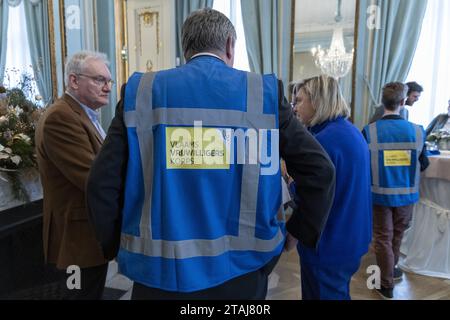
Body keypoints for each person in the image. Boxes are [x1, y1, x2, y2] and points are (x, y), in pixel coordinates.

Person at [86, 8, 335, 300]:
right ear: (230, 45)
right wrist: (297, 231)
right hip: (244, 270)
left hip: (158, 272)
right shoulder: (263, 94)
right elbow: (321, 170)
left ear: (185, 47)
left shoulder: (141, 91)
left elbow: (100, 184)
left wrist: (115, 245)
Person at [35, 51, 113, 299]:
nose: (108, 87)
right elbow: (94, 177)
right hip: (75, 243)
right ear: (74, 80)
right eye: (100, 80)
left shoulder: (84, 114)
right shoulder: (61, 117)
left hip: (89, 237)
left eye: (108, 81)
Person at [293, 76, 372, 300]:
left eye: (299, 101)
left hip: (328, 242)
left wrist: (289, 181)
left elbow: (307, 196)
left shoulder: (321, 141)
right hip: (352, 237)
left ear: (316, 101)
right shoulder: (351, 131)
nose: (296, 108)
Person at [362, 82, 429, 300]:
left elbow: (363, 164)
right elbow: (425, 163)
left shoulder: (369, 131)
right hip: (407, 196)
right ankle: (391, 272)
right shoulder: (418, 132)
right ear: (403, 102)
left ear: (384, 102)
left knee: (382, 238)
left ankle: (386, 283)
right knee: (397, 235)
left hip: (379, 195)